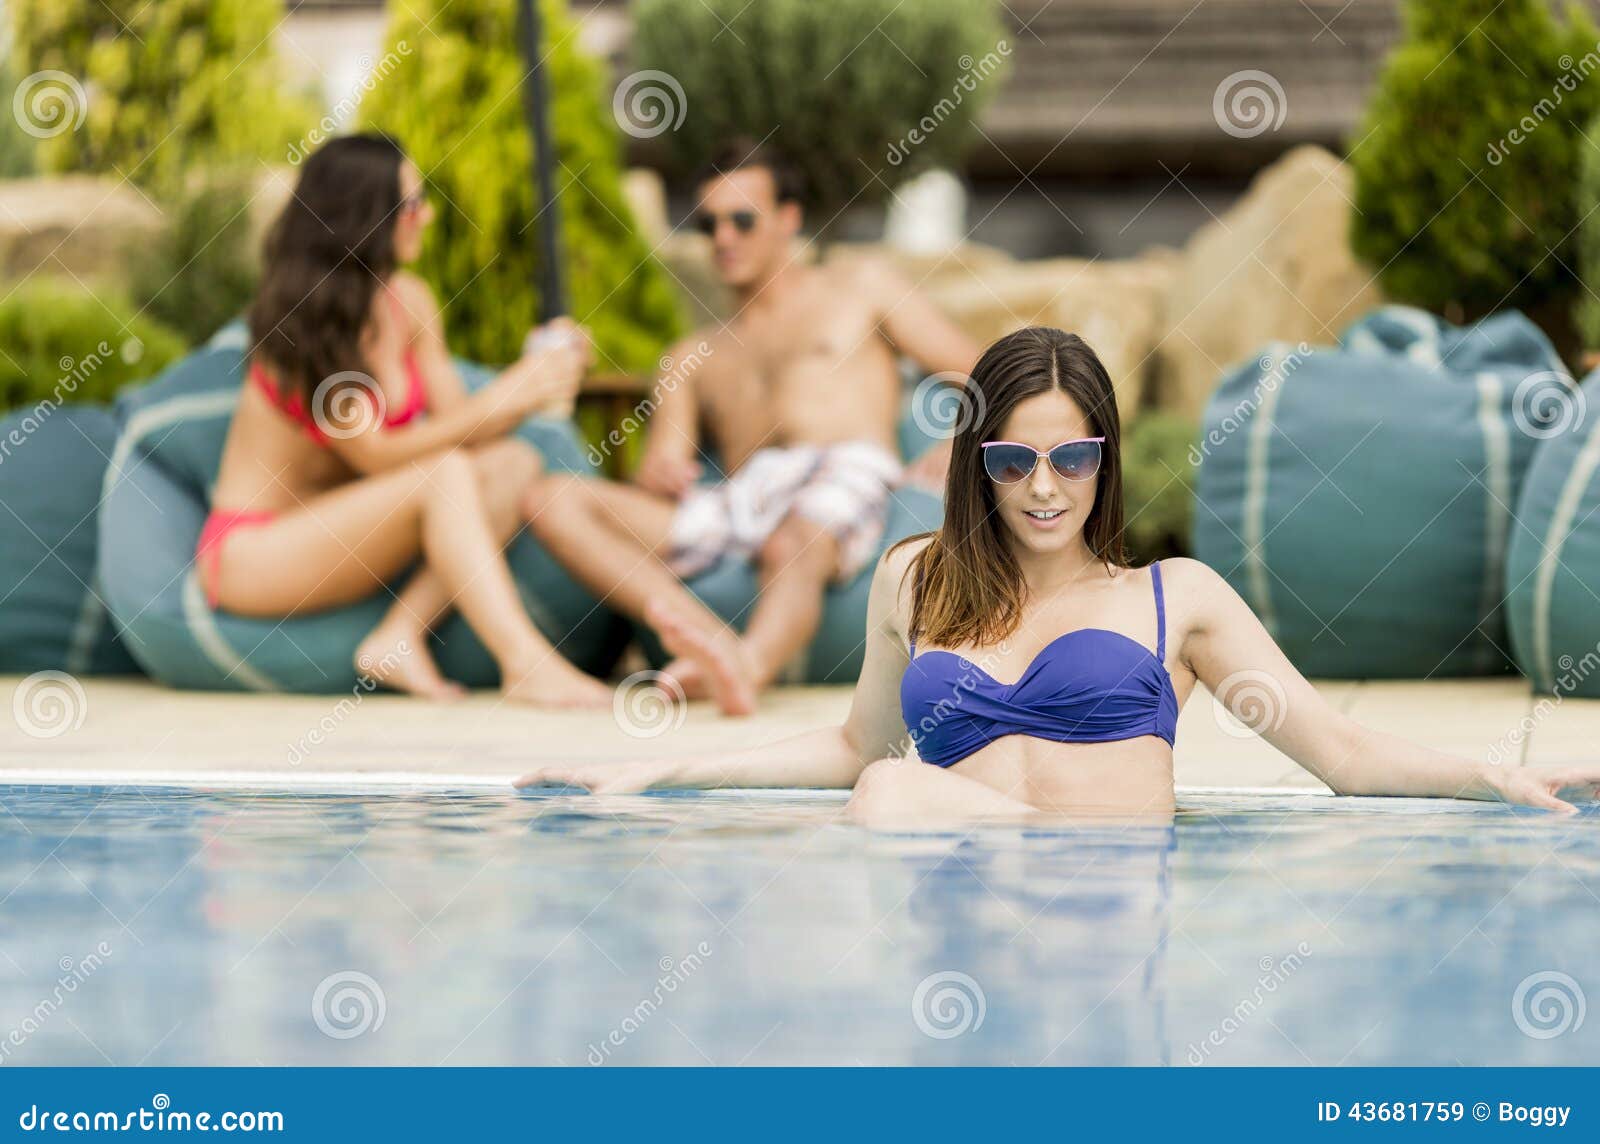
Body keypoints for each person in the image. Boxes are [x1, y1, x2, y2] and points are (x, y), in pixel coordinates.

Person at [517, 327, 1600, 821]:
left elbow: (1346, 754)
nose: (1044, 486)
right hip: (954, 912)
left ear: (1105, 461)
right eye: (1013, 459)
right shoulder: (915, 579)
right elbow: (852, 744)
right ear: (974, 464)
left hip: (1109, 899)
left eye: (1073, 456)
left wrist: (1499, 777)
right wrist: (652, 776)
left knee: (892, 791)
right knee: (884, 780)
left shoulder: (1176, 598)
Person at [523, 139, 982, 715]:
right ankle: (712, 642)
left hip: (843, 472)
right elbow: (661, 469)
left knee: (792, 538)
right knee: (549, 499)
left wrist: (957, 441)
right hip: (744, 497)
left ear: (788, 219)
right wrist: (661, 469)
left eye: (742, 219)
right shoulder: (691, 355)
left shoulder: (859, 288)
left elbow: (986, 370)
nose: (723, 237)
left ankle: (748, 668)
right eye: (709, 222)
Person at [202, 133, 612, 708]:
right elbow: (373, 454)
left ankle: (398, 634)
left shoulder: (410, 301)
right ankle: (525, 662)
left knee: (514, 463)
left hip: (346, 529)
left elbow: (462, 425)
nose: (428, 216)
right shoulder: (297, 325)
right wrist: (507, 395)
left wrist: (535, 378)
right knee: (444, 472)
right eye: (413, 205)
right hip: (255, 553)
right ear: (365, 218)